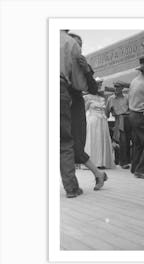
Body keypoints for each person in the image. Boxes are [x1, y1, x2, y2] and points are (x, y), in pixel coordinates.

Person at [67, 33, 108, 192]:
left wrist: (87, 70)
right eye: (72, 44)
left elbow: (93, 89)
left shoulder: (84, 65)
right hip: (60, 104)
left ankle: (98, 173)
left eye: (79, 45)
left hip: (75, 105)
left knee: (75, 148)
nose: (75, 48)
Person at [60, 30, 87, 198]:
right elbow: (78, 83)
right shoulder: (70, 42)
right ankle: (71, 188)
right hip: (58, 88)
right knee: (65, 141)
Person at [84, 78, 115, 169]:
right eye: (97, 85)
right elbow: (84, 111)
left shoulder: (101, 98)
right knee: (93, 139)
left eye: (100, 85)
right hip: (93, 121)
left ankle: (102, 161)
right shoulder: (87, 97)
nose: (99, 87)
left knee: (102, 139)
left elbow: (105, 111)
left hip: (102, 121)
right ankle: (93, 162)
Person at [106, 81, 131, 169]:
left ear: (122, 88)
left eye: (119, 87)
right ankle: (123, 162)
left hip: (128, 118)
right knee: (122, 140)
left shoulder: (127, 97)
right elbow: (106, 113)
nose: (117, 88)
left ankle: (128, 160)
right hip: (119, 119)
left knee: (128, 140)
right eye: (115, 86)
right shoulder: (111, 98)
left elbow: (131, 108)